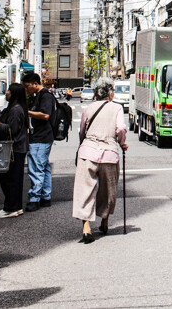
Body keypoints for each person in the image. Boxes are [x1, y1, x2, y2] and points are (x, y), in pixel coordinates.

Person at [73, 79, 128, 243]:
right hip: (109, 153)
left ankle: (86, 228)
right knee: (108, 189)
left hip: (87, 152)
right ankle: (104, 221)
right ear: (110, 93)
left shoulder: (88, 108)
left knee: (84, 189)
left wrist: (84, 144)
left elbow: (82, 131)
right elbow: (120, 129)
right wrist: (122, 142)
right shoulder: (116, 107)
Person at [24, 72, 56, 212]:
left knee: (36, 167)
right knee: (43, 167)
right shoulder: (41, 95)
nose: (26, 89)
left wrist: (27, 112)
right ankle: (45, 196)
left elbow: (45, 115)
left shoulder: (45, 96)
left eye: (27, 86)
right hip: (44, 136)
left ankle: (35, 198)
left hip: (41, 137)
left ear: (35, 84)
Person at [0, 83, 29, 218]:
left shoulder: (15, 110)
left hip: (14, 148)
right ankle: (15, 207)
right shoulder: (17, 108)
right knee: (14, 179)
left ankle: (12, 207)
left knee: (9, 179)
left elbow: (12, 130)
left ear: (14, 93)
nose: (6, 92)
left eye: (9, 90)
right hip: (17, 148)